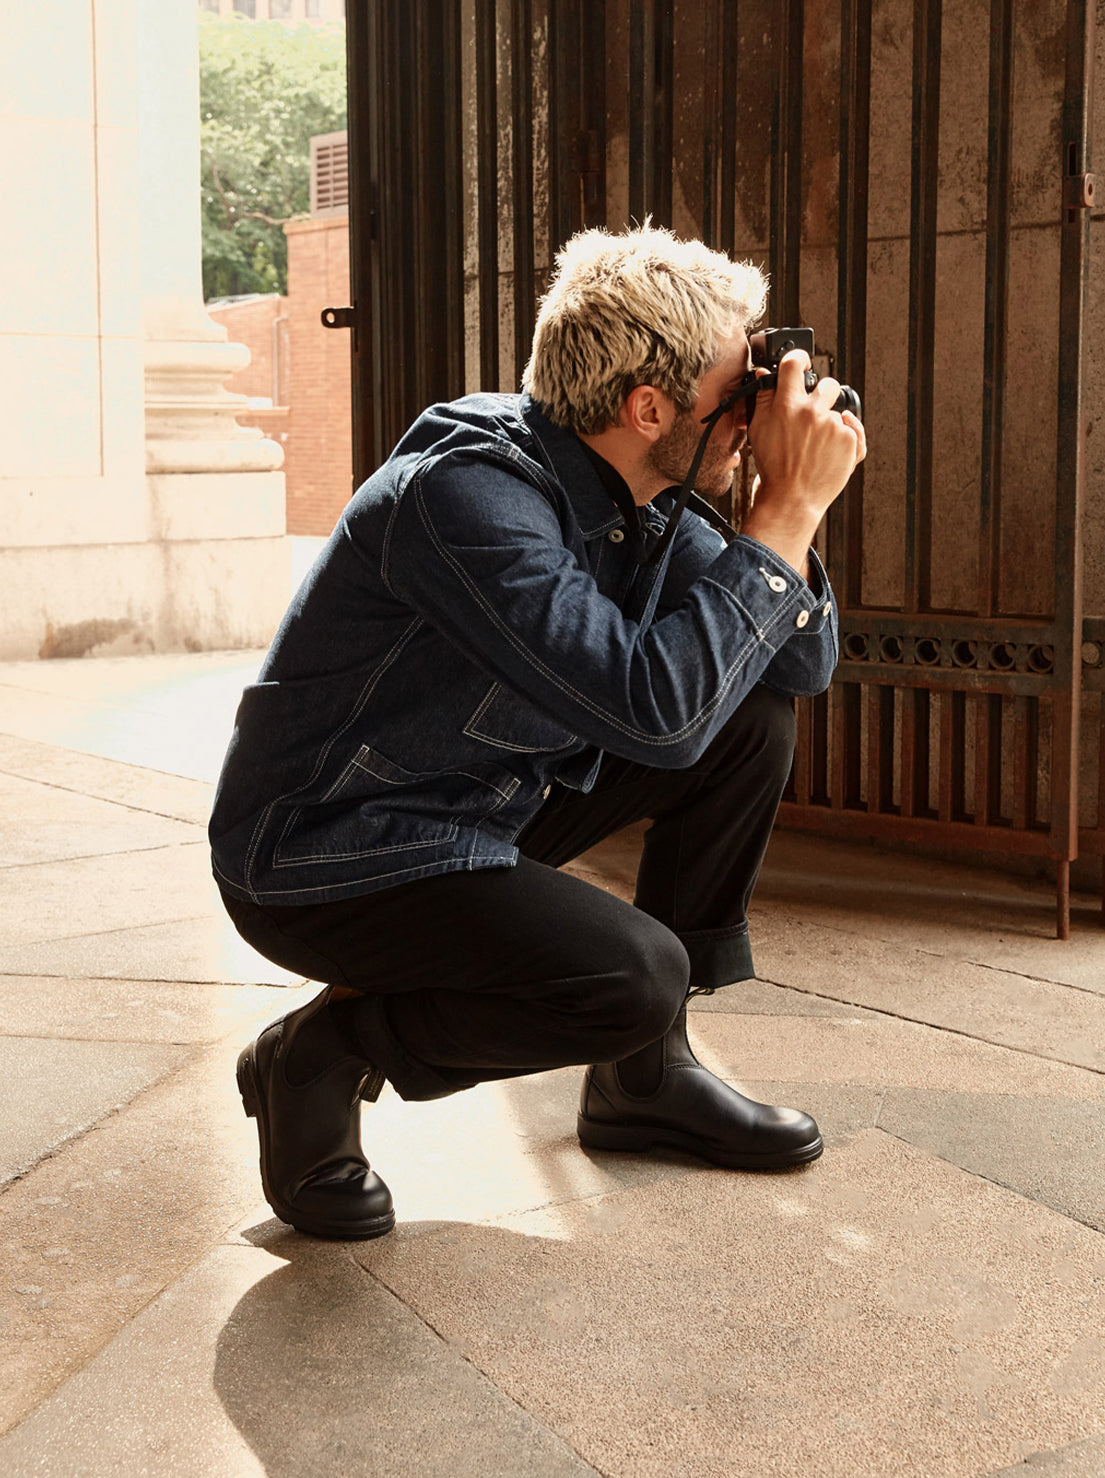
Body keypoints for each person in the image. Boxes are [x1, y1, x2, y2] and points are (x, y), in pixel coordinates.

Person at [210, 224, 866, 1241]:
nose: (753, 416)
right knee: (628, 974)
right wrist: (783, 509)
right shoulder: (467, 493)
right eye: (736, 393)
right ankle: (326, 1048)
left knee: (749, 713)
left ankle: (643, 1083)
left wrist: (774, 515)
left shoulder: (641, 492)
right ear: (648, 407)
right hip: (329, 850)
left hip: (481, 809)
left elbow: (797, 666)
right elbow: (651, 708)